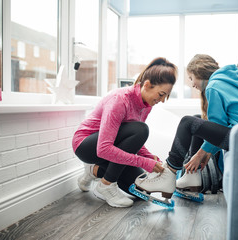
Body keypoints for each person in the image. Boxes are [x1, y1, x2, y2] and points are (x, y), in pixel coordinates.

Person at [134, 54, 238, 200]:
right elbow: (217, 128)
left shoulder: (214, 86)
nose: (192, 84)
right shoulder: (228, 82)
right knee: (197, 120)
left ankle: (168, 175)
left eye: (191, 78)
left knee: (187, 122)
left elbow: (217, 126)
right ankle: (192, 177)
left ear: (198, 72)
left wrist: (200, 154)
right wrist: (205, 152)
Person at [72, 57, 177, 208]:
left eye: (165, 96)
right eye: (161, 94)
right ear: (147, 85)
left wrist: (149, 157)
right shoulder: (119, 100)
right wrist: (145, 163)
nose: (161, 100)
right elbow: (104, 148)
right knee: (141, 129)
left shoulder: (146, 104)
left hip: (107, 146)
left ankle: (94, 171)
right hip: (86, 145)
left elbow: (131, 141)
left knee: (140, 191)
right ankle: (106, 185)